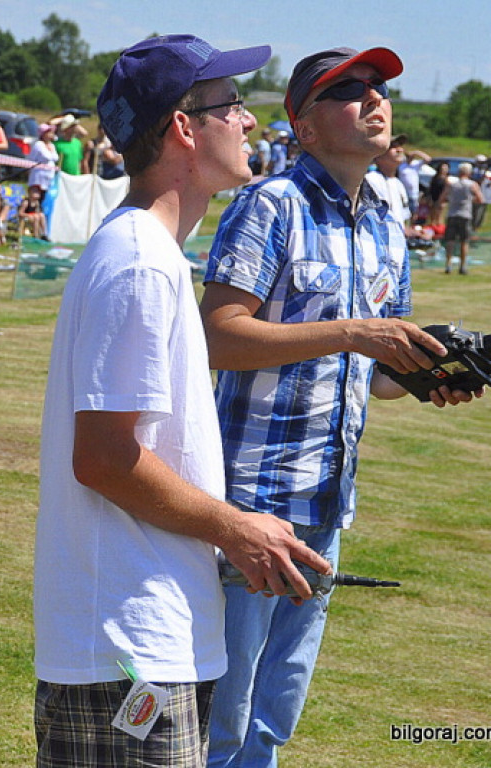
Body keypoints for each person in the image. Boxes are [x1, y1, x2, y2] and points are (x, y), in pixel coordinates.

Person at [34, 34, 332, 768]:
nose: (250, 122)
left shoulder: (149, 253)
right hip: (127, 650)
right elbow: (104, 459)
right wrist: (236, 528)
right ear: (183, 126)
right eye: (232, 105)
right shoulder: (139, 261)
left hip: (146, 641)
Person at [201, 47, 480, 768]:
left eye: (380, 88)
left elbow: (378, 373)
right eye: (349, 90)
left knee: (276, 711)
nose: (374, 100)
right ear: (304, 125)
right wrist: (357, 331)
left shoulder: (388, 221)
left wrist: (427, 379)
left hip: (328, 501)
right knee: (221, 712)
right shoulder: (270, 204)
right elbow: (217, 336)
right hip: (251, 498)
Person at [439, 161, 483, 274]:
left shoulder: (452, 184)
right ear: (469, 172)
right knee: (464, 241)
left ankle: (448, 265)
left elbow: (442, 198)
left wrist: (452, 200)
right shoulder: (472, 184)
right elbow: (480, 199)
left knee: (450, 241)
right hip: (465, 214)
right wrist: (470, 200)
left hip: (452, 214)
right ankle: (462, 266)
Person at [27, 122, 58, 202]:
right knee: (36, 196)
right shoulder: (38, 144)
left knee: (46, 197)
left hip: (49, 175)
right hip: (38, 176)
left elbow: (55, 158)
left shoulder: (52, 145)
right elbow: (46, 156)